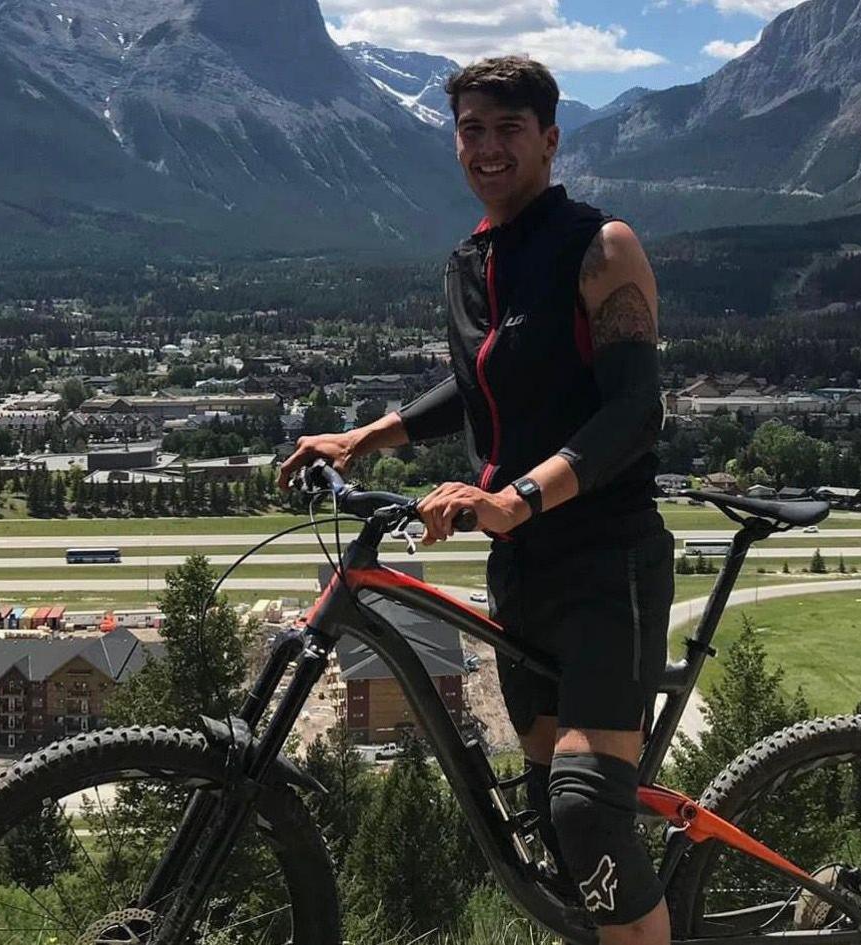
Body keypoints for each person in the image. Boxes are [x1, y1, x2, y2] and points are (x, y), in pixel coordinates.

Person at [278, 55, 672, 945]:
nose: (487, 148)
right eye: (471, 130)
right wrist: (365, 436)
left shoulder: (600, 246)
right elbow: (483, 387)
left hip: (606, 561)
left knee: (585, 811)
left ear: (550, 139)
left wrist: (519, 497)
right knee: (541, 807)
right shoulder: (472, 263)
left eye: (508, 129)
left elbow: (633, 412)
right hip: (522, 567)